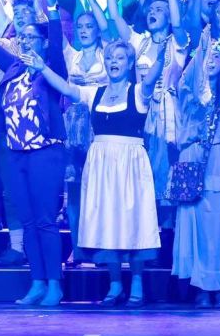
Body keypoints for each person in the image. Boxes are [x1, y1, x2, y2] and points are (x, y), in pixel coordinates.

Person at [27, 35, 167, 305]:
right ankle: (115, 284)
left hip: (130, 164)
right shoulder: (96, 93)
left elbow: (152, 77)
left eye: (120, 58)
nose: (114, 62)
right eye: (110, 58)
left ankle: (137, 281)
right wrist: (42, 67)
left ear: (129, 63)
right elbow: (67, 89)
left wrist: (161, 54)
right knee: (108, 219)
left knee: (134, 220)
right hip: (102, 164)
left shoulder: (138, 92)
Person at [0, 0, 72, 307]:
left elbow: (56, 44)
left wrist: (52, 11)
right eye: (23, 37)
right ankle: (37, 282)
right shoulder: (14, 68)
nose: (26, 41)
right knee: (28, 221)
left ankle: (54, 284)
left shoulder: (51, 68)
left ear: (42, 42)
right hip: (16, 153)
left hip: (45, 152)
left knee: (45, 220)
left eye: (32, 37)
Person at [170, 28, 220, 306]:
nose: (211, 60)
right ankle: (201, 286)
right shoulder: (189, 90)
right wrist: (201, 48)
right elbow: (189, 80)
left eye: (217, 56)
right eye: (207, 56)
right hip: (194, 157)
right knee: (198, 224)